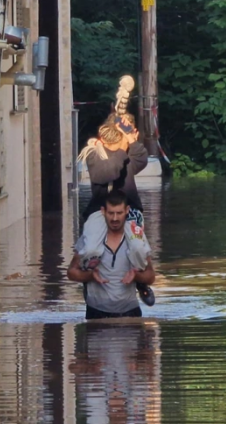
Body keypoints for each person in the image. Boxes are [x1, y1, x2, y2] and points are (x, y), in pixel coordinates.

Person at [76, 113, 155, 306]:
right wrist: (122, 148)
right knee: (92, 248)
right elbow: (106, 173)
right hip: (100, 209)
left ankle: (140, 282)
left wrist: (132, 142)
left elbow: (142, 159)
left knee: (137, 247)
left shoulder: (127, 152)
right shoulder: (95, 153)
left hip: (130, 208)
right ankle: (87, 278)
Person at [67, 189, 156, 320]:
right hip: (96, 311)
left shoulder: (136, 238)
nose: (115, 218)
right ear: (103, 212)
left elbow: (151, 276)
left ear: (127, 211)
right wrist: (90, 275)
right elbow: (71, 272)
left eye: (119, 213)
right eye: (111, 213)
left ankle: (141, 287)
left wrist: (137, 276)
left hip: (129, 311)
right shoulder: (90, 238)